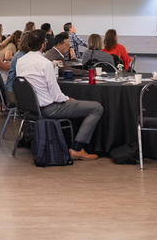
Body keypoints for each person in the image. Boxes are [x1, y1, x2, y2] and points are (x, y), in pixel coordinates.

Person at [15, 31, 102, 160]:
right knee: (96, 108)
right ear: (43, 45)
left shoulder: (20, 61)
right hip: (49, 109)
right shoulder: (45, 64)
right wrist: (67, 98)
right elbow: (56, 96)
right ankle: (77, 148)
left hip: (29, 109)